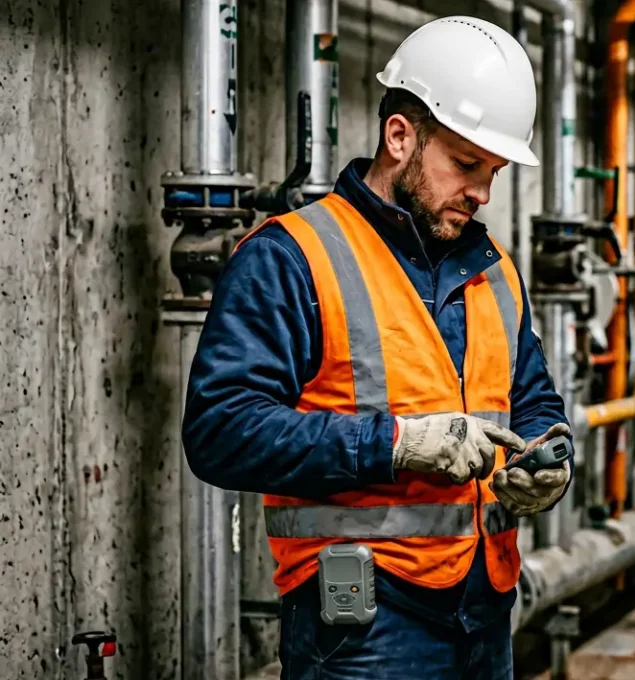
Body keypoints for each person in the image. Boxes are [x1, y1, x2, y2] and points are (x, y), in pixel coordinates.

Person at [181, 16, 571, 680]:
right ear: (399, 137)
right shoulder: (293, 257)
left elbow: (531, 398)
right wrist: (396, 445)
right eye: (466, 164)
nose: (482, 193)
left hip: (485, 612)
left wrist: (547, 455)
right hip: (362, 628)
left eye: (494, 171)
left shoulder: (495, 271)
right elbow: (220, 431)